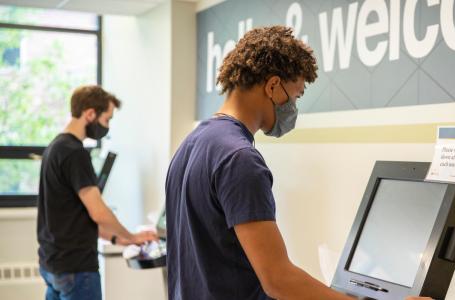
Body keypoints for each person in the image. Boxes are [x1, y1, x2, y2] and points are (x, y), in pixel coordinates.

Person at [166, 26, 430, 300]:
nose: (293, 106)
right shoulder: (240, 160)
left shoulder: (190, 144)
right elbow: (278, 280)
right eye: (296, 95)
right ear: (272, 86)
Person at [37, 85, 158, 300]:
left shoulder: (54, 148)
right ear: (90, 113)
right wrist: (130, 236)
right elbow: (98, 212)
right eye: (107, 119)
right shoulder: (75, 153)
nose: (107, 126)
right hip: (77, 269)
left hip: (53, 265)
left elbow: (72, 216)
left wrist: (115, 238)